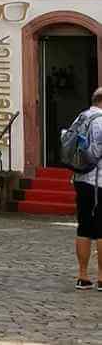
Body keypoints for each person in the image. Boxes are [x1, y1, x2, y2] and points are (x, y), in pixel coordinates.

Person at [72, 87, 102, 290]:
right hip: (99, 180)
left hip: (80, 178)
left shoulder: (80, 118)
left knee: (83, 225)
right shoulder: (101, 120)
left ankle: (82, 275)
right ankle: (101, 276)